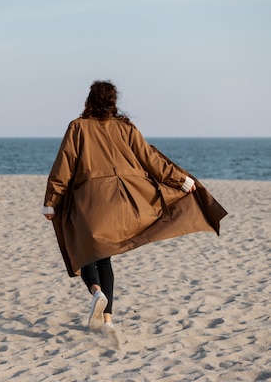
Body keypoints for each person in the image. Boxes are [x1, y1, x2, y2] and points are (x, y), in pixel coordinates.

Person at [42, 80, 227, 334]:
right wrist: (181, 180)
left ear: (89, 100)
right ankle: (107, 321)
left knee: (84, 251)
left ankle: (96, 292)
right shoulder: (126, 128)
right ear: (112, 102)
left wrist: (52, 201)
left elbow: (65, 164)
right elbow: (150, 160)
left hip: (90, 200)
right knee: (104, 259)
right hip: (124, 201)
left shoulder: (77, 127)